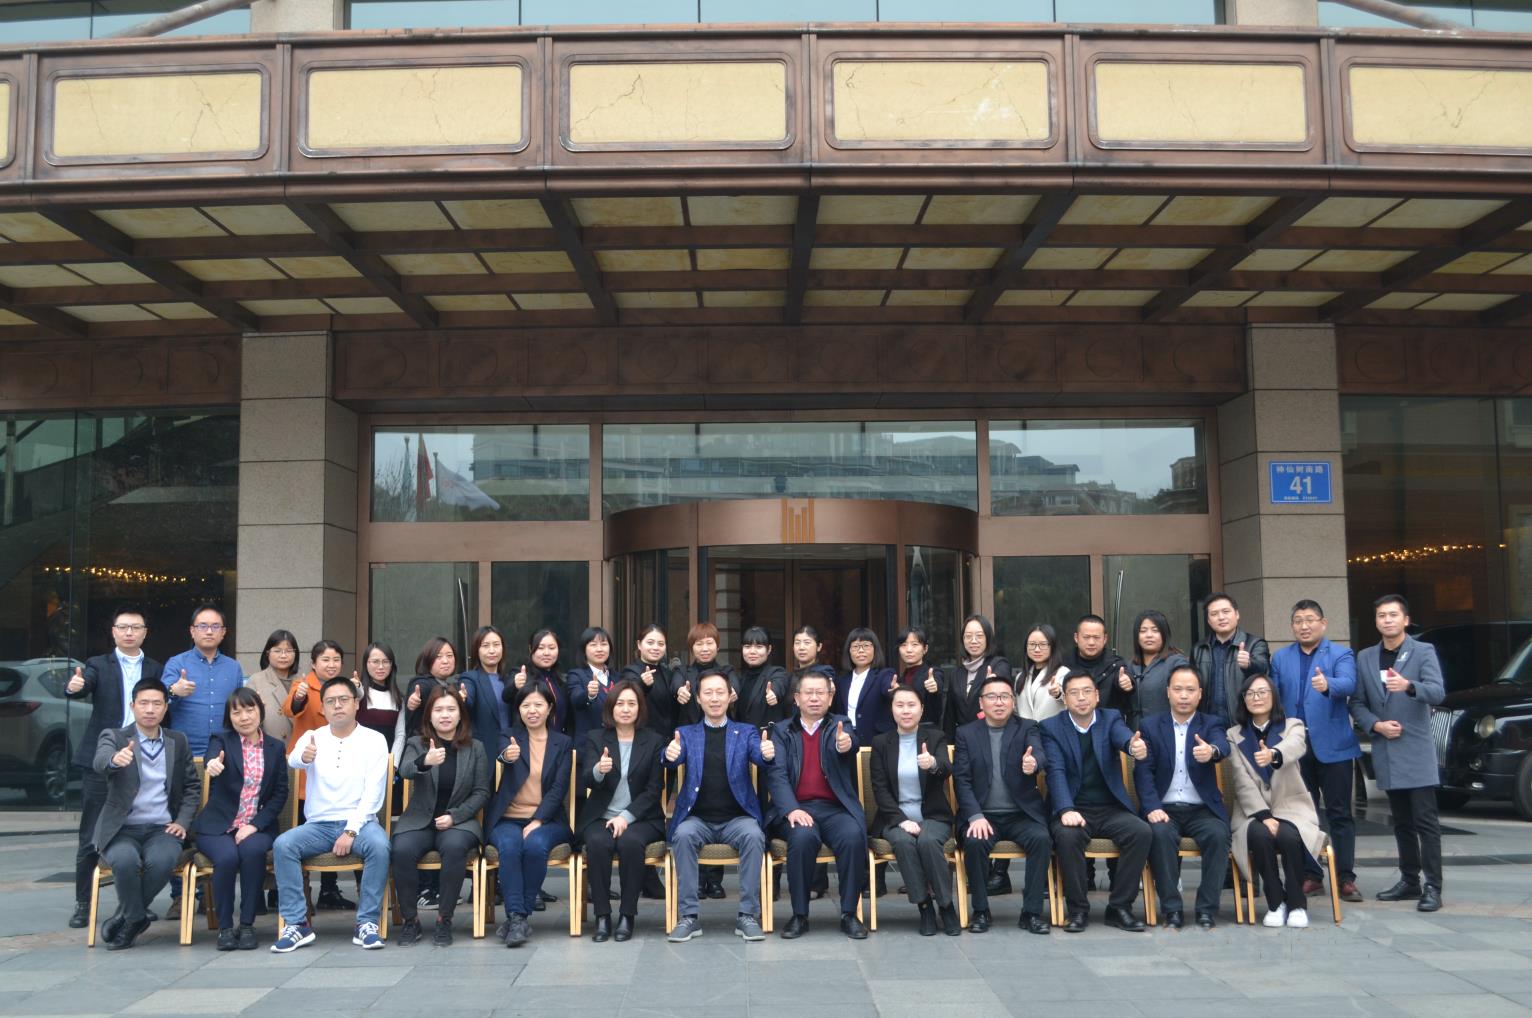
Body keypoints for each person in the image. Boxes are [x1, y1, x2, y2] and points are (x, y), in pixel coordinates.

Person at [270, 675, 392, 953]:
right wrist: (303, 757)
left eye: (343, 700)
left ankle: (367, 923)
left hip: (360, 823)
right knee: (283, 845)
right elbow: (293, 760)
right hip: (319, 826)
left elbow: (373, 794)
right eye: (330, 701)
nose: (337, 706)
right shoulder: (312, 737)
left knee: (380, 846)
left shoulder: (374, 740)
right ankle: (297, 924)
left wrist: (351, 830)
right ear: (323, 708)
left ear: (356, 703)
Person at [64, 605, 164, 929]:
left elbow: (163, 704)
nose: (129, 632)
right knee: (91, 834)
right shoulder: (97, 664)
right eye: (123, 627)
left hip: (141, 756)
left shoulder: (154, 667)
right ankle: (83, 903)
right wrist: (74, 687)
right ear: (114, 632)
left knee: (137, 831)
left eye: (136, 627)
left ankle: (134, 904)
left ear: (145, 632)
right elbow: (84, 684)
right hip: (102, 756)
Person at [1352, 594, 1446, 912]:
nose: (1387, 620)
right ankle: (1409, 880)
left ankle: (1433, 887)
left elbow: (1437, 691)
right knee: (1401, 822)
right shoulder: (1366, 657)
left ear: (1405, 620)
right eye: (1381, 615)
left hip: (1415, 750)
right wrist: (1375, 725)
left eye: (1393, 615)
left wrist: (1409, 686)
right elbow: (1357, 702)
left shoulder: (1423, 651)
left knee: (1426, 823)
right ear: (1376, 621)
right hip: (1387, 749)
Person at [663, 668, 773, 943]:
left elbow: (760, 756)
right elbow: (672, 758)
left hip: (737, 819)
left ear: (730, 696)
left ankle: (747, 915)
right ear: (698, 699)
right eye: (708, 693)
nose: (714, 698)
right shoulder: (686, 734)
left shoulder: (745, 732)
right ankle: (689, 917)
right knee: (683, 835)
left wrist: (766, 753)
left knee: (754, 836)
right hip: (697, 819)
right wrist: (668, 754)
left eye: (719, 692)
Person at [1040, 670, 1152, 933]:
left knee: (1141, 832)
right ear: (1065, 699)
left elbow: (1123, 737)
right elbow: (1055, 771)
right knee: (1067, 836)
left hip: (1110, 808)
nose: (1081, 698)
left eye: (1087, 691)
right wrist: (1065, 809)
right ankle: (1078, 910)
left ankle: (1120, 908)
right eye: (1074, 693)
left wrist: (1132, 747)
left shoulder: (1110, 718)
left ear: (1097, 696)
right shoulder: (1051, 727)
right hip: (1074, 807)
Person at [92, 678, 199, 950]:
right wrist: (115, 760)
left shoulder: (178, 741)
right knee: (124, 861)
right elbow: (100, 761)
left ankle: (125, 917)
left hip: (162, 828)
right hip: (122, 828)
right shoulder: (115, 737)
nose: (150, 709)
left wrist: (182, 821)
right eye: (144, 703)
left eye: (156, 704)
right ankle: (136, 918)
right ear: (133, 706)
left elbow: (191, 787)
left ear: (165, 708)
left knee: (163, 861)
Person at [1270, 599, 1362, 903]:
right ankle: (1312, 875)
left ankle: (1346, 878)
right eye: (1298, 621)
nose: (1304, 626)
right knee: (1302, 815)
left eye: (1310, 620)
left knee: (1339, 814)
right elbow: (1273, 697)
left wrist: (1328, 684)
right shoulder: (1281, 658)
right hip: (1295, 749)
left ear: (1323, 623)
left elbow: (1349, 683)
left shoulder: (1340, 654)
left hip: (1334, 747)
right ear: (1292, 626)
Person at [766, 670, 869, 940]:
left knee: (852, 836)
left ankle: (849, 914)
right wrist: (792, 809)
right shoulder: (782, 731)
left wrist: (845, 744)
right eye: (808, 693)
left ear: (830, 697)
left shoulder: (840, 724)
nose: (814, 698)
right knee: (802, 838)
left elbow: (850, 743)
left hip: (835, 809)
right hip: (797, 807)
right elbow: (776, 775)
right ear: (796, 698)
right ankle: (800, 915)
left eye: (820, 693)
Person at [952, 673, 1052, 935]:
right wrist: (975, 816)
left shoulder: (1027, 727)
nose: (999, 702)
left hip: (1021, 814)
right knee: (974, 842)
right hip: (983, 815)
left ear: (1013, 701)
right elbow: (962, 780)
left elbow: (1039, 752)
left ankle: (1031, 912)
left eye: (1005, 696)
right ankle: (981, 910)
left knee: (1042, 839)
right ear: (981, 703)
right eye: (992, 697)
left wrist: (1034, 763)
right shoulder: (966, 733)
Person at [1133, 664, 1231, 929]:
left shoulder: (1211, 723)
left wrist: (1212, 752)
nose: (1184, 695)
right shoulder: (1150, 726)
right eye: (1178, 689)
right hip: (1164, 807)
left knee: (1218, 835)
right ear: (1168, 692)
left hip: (1202, 809)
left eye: (1190, 689)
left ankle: (1206, 909)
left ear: (1200, 694)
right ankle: (1172, 909)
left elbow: (1222, 745)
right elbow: (1143, 771)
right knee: (1160, 834)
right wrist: (1151, 807)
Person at [392, 686, 490, 947]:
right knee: (401, 850)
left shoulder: (475, 748)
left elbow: (482, 792)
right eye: (438, 710)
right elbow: (405, 770)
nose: (445, 715)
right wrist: (425, 761)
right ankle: (410, 921)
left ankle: (444, 919)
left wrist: (455, 816)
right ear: (429, 715)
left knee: (455, 848)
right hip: (419, 820)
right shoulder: (417, 743)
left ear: (460, 714)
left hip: (458, 822)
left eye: (450, 709)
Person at [194, 688, 289, 950]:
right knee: (226, 858)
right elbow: (212, 758)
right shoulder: (221, 740)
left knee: (253, 852)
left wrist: (254, 825)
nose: (244, 717)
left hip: (257, 826)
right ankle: (225, 928)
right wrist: (212, 764)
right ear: (229, 717)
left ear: (260, 711)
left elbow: (280, 793)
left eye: (249, 710)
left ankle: (247, 924)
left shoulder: (275, 747)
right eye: (237, 712)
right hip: (218, 826)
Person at [1228, 673, 1324, 928]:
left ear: (1274, 697)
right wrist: (1264, 815)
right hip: (1252, 812)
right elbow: (1241, 780)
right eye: (1250, 693)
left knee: (1289, 836)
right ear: (1243, 700)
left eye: (1263, 692)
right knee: (1259, 836)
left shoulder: (1293, 725)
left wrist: (1273, 754)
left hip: (1291, 807)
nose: (1256, 698)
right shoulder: (1233, 735)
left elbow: (1295, 746)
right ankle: (1275, 902)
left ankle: (1297, 903)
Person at [577, 680, 665, 942]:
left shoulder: (654, 740)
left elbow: (654, 789)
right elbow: (587, 779)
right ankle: (602, 916)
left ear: (640, 708)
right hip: (601, 816)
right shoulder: (596, 738)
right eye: (620, 704)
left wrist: (625, 817)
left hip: (642, 818)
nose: (625, 709)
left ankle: (627, 915)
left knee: (630, 843)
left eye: (631, 704)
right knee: (597, 843)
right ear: (611, 708)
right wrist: (598, 770)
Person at [486, 684, 573, 947]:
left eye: (538, 705)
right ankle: (518, 917)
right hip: (508, 818)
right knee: (510, 847)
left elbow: (558, 788)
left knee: (535, 845)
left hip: (548, 819)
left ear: (549, 708)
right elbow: (504, 755)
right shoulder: (509, 736)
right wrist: (508, 755)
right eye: (526, 705)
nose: (532, 711)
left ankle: (517, 917)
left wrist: (537, 820)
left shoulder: (563, 743)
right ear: (519, 710)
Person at [870, 686, 957, 935]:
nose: (905, 711)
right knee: (904, 842)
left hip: (933, 815)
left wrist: (933, 764)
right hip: (894, 817)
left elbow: (945, 768)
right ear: (892, 710)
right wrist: (901, 820)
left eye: (911, 705)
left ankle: (946, 906)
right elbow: (880, 789)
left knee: (928, 841)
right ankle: (924, 906)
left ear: (921, 709)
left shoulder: (935, 737)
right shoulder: (881, 743)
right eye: (900, 705)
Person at [280, 640, 355, 911]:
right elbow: (291, 709)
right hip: (309, 769)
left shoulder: (346, 688)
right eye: (325, 659)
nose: (331, 665)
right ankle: (302, 895)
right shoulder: (302, 685)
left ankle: (329, 890)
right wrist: (300, 696)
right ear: (313, 663)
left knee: (338, 828)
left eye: (336, 660)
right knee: (309, 831)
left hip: (339, 772)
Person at [163, 604, 245, 760]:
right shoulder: (176, 663)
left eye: (215, 626)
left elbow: (240, 706)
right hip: (185, 751)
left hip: (225, 751)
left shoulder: (233, 667)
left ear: (223, 632)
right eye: (202, 626)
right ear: (192, 631)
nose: (209, 631)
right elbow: (159, 700)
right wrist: (174, 690)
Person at [1192, 592, 1271, 726]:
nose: (1221, 617)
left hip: (1243, 724)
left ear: (1237, 614)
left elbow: (1264, 669)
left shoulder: (1255, 644)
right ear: (1209, 621)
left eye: (1226, 611)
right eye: (1214, 614)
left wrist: (1249, 664)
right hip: (1207, 725)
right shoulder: (1199, 649)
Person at [947, 614, 1012, 738]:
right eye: (968, 636)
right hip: (963, 740)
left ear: (988, 638)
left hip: (991, 736)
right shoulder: (956, 673)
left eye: (979, 636)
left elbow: (1001, 678)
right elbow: (950, 714)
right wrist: (948, 743)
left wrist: (993, 682)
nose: (973, 641)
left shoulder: (998, 664)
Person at [834, 627, 897, 746]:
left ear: (875, 649)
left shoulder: (884, 675)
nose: (861, 650)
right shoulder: (842, 680)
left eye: (866, 646)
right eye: (856, 646)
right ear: (849, 651)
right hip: (848, 740)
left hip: (877, 741)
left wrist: (894, 690)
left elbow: (889, 686)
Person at [504, 629, 570, 736]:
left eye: (552, 648)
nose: (546, 653)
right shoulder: (520, 674)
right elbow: (506, 696)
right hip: (527, 740)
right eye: (540, 648)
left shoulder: (562, 680)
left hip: (559, 741)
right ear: (531, 649)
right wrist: (515, 685)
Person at [1128, 610, 1190, 725]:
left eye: (1155, 630)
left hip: (1165, 729)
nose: (1149, 635)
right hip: (1135, 731)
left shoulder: (1176, 663)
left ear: (1164, 634)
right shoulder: (1131, 666)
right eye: (1143, 631)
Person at [461, 625, 513, 760]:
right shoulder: (470, 678)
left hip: (511, 750)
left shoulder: (509, 680)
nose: (492, 650)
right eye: (485, 646)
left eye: (496, 645)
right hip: (485, 752)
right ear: (476, 650)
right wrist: (462, 698)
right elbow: (468, 699)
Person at [1066, 613, 1132, 717]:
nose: (1091, 642)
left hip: (1109, 724)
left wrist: (1127, 684)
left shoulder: (1116, 665)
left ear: (1105, 639)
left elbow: (1126, 682)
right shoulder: (1064, 665)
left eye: (1096, 637)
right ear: (1076, 637)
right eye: (1086, 637)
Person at [674, 622, 737, 728]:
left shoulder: (727, 671)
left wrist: (733, 691)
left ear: (717, 647)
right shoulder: (682, 671)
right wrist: (680, 690)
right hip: (690, 732)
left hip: (722, 730)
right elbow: (676, 684)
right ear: (691, 648)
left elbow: (735, 685)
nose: (705, 649)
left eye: (709, 643)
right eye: (699, 644)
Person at [620, 623, 677, 735]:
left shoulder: (668, 673)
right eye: (650, 643)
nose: (655, 648)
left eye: (661, 644)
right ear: (639, 645)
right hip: (643, 738)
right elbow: (630, 695)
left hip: (668, 739)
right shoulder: (630, 671)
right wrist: (643, 684)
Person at [357, 642, 407, 770]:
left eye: (385, 662)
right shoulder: (359, 693)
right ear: (366, 664)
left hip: (387, 764)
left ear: (391, 665)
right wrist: (353, 688)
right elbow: (356, 692)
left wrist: (393, 765)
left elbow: (400, 735)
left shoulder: (399, 698)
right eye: (375, 662)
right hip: (359, 762)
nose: (381, 667)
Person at [246, 630, 301, 744]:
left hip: (299, 750)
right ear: (268, 653)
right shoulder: (256, 681)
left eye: (289, 651)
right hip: (269, 747)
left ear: (295, 654)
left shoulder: (303, 681)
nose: (283, 655)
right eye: (277, 651)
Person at [733, 626, 789, 729]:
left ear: (769, 649)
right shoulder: (740, 677)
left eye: (759, 647)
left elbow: (779, 684)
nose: (752, 651)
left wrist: (774, 693)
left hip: (766, 737)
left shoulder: (777, 673)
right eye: (747, 646)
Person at [567, 626, 617, 741]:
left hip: (614, 741)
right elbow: (576, 699)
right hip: (588, 743)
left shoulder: (617, 677)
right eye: (593, 645)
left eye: (604, 644)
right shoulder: (576, 675)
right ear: (584, 650)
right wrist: (589, 695)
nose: (599, 649)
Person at [894, 626, 948, 732]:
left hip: (927, 734)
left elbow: (937, 681)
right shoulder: (899, 680)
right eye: (904, 645)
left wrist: (934, 686)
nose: (909, 650)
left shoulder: (932, 673)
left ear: (925, 649)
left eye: (914, 644)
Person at [405, 637, 461, 734]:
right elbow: (418, 692)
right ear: (428, 659)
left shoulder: (449, 686)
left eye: (449, 656)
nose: (445, 661)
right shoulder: (422, 684)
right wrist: (413, 701)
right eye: (438, 657)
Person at [1014, 623, 1067, 723]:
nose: (1037, 649)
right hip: (1026, 732)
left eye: (1043, 644)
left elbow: (1070, 701)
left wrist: (1058, 694)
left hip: (1051, 731)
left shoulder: (1063, 673)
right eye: (1032, 644)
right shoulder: (1020, 677)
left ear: (1052, 646)